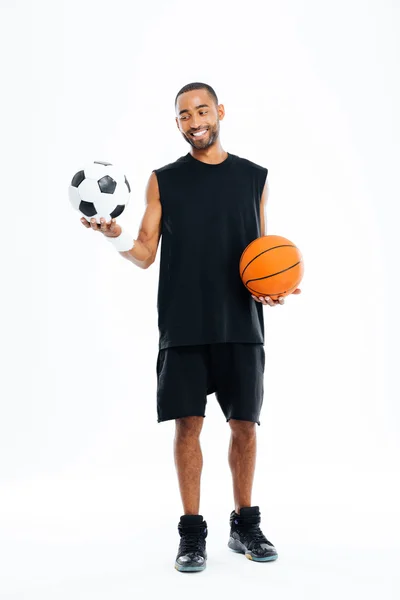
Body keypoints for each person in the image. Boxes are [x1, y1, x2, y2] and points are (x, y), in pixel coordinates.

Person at [80, 82, 301, 572]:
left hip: (241, 324)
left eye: (202, 110)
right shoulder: (163, 180)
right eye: (184, 115)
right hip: (182, 326)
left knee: (245, 426)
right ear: (177, 123)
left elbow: (258, 255)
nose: (195, 120)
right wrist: (114, 235)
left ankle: (244, 523)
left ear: (220, 112)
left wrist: (271, 287)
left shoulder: (254, 177)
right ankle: (192, 534)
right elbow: (143, 254)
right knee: (187, 428)